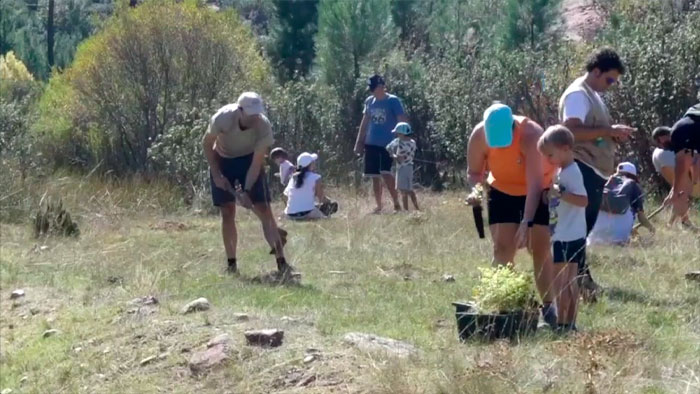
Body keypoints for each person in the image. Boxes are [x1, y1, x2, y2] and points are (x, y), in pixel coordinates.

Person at [466, 103, 558, 329]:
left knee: (539, 248)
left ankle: (548, 309)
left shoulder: (531, 135)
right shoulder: (479, 135)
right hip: (501, 190)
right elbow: (475, 172)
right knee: (503, 248)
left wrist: (527, 221)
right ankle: (501, 305)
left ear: (512, 128)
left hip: (537, 189)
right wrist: (476, 192)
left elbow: (535, 184)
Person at [559, 47, 634, 297]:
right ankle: (578, 283)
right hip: (582, 168)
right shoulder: (578, 95)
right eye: (609, 79)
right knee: (578, 228)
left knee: (583, 228)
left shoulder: (592, 93)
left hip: (592, 170)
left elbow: (595, 132)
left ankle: (580, 280)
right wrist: (607, 131)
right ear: (596, 70)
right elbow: (571, 132)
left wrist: (611, 134)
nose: (611, 85)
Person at [202, 92, 292, 276]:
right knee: (227, 212)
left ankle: (282, 264)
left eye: (257, 113)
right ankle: (232, 265)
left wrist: (247, 190)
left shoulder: (263, 126)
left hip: (249, 161)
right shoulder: (223, 117)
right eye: (250, 113)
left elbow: (256, 163)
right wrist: (217, 174)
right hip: (223, 159)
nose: (254, 117)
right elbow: (207, 143)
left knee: (264, 210)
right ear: (240, 110)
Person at [538, 125, 587, 333]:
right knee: (568, 279)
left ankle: (564, 323)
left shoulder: (572, 173)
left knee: (563, 280)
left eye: (551, 154)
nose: (549, 159)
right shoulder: (562, 171)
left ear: (566, 148)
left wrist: (560, 194)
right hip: (567, 231)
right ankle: (568, 323)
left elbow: (583, 200)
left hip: (568, 234)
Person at [354, 75, 408, 213]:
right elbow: (364, 122)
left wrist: (402, 140)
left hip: (388, 144)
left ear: (381, 87)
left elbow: (401, 120)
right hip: (371, 143)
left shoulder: (393, 101)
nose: (372, 91)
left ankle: (397, 203)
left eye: (374, 88)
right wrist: (359, 142)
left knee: (386, 173)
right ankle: (379, 206)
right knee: (374, 176)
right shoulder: (369, 102)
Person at [588, 162, 655, 245]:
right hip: (619, 240)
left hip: (594, 238)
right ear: (633, 176)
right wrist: (652, 229)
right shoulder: (633, 186)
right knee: (631, 210)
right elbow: (641, 217)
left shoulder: (604, 181)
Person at [651, 126, 699, 228]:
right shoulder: (681, 142)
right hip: (678, 163)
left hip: (660, 159)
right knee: (681, 191)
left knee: (679, 191)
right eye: (660, 144)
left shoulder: (661, 150)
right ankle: (677, 223)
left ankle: (676, 223)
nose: (663, 146)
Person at [664, 104, 700, 222]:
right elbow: (695, 162)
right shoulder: (694, 134)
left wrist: (675, 191)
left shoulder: (679, 132)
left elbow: (682, 162)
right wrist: (693, 182)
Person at [283, 152, 335, 220]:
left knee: (315, 206)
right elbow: (321, 198)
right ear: (310, 164)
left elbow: (285, 196)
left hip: (290, 215)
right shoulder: (316, 178)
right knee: (328, 218)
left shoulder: (293, 178)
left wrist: (293, 207)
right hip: (308, 213)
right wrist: (329, 201)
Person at [386, 122, 420, 211]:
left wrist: (392, 154)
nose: (396, 135)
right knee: (409, 189)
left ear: (402, 133)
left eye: (398, 133)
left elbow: (399, 159)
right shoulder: (413, 142)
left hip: (402, 168)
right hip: (409, 167)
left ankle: (406, 210)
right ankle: (417, 208)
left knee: (403, 190)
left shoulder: (401, 144)